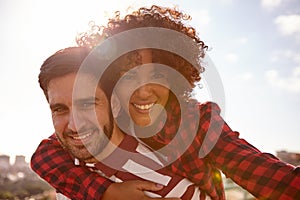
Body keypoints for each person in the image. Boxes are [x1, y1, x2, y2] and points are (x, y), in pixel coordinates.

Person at [31, 5, 300, 200]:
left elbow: (269, 177)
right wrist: (105, 192)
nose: (144, 92)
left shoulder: (198, 124)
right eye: (129, 76)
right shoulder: (99, 124)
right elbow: (44, 155)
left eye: (159, 75)